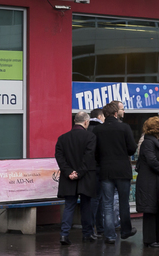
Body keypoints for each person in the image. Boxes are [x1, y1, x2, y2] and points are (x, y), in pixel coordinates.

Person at [93, 100, 137, 244]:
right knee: (123, 202)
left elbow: (95, 152)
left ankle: (110, 235)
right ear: (116, 113)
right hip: (122, 170)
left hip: (105, 170)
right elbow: (132, 149)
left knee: (107, 204)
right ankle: (125, 230)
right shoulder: (124, 128)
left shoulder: (98, 130)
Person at [55, 111, 98, 245]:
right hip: (86, 176)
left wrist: (69, 172)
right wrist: (79, 173)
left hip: (68, 177)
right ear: (86, 122)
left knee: (69, 206)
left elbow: (59, 157)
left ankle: (64, 234)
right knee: (86, 206)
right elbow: (88, 157)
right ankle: (87, 234)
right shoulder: (90, 137)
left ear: (75, 121)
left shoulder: (62, 138)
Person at [136, 116, 159, 248]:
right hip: (148, 182)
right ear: (156, 129)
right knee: (150, 210)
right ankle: (150, 240)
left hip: (157, 180)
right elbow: (152, 161)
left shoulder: (155, 141)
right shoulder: (148, 143)